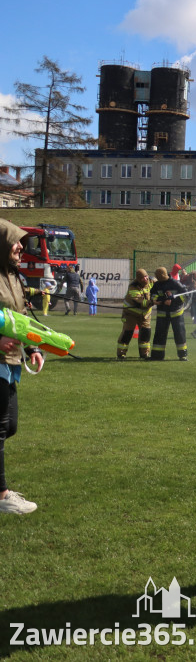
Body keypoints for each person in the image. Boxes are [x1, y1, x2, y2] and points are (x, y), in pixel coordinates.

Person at [0, 219, 46, 514]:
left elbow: (20, 319)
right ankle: (2, 495)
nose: (21, 247)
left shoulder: (13, 275)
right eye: (16, 241)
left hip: (11, 361)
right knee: (1, 426)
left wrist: (33, 347)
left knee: (10, 426)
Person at [149, 266, 189, 361]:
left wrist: (173, 301)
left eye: (158, 275)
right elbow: (153, 295)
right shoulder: (157, 284)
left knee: (179, 333)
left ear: (163, 275)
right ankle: (157, 355)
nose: (157, 277)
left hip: (176, 313)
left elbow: (186, 296)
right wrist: (157, 300)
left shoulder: (175, 283)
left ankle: (182, 355)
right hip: (162, 313)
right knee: (159, 334)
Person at [117, 269, 154, 360]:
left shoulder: (152, 281)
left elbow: (159, 286)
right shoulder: (133, 287)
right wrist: (153, 302)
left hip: (145, 315)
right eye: (142, 278)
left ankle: (144, 354)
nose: (145, 279)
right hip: (130, 314)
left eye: (146, 276)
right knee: (127, 333)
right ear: (138, 279)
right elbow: (139, 302)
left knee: (145, 334)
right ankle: (121, 354)